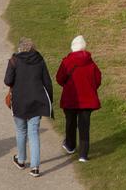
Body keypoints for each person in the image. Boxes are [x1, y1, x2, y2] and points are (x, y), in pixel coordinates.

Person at [5, 38, 54, 178]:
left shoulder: (14, 60)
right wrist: (49, 101)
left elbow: (7, 80)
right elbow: (47, 82)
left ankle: (21, 160)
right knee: (33, 133)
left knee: (21, 131)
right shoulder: (39, 59)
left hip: (19, 101)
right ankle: (35, 167)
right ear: (33, 48)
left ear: (20, 48)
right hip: (36, 102)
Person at [56, 36, 102, 163]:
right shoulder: (91, 63)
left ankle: (70, 145)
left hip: (71, 99)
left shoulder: (67, 62)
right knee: (84, 126)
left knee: (70, 122)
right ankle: (83, 154)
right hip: (87, 100)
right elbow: (98, 79)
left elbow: (60, 79)